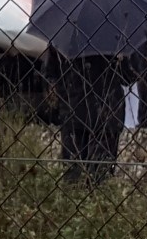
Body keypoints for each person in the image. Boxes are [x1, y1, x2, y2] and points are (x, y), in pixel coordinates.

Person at [50, 51, 128, 185]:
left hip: (76, 111)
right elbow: (128, 76)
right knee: (99, 178)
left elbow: (50, 76)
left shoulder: (65, 35)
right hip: (106, 112)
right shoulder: (114, 35)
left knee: (75, 179)